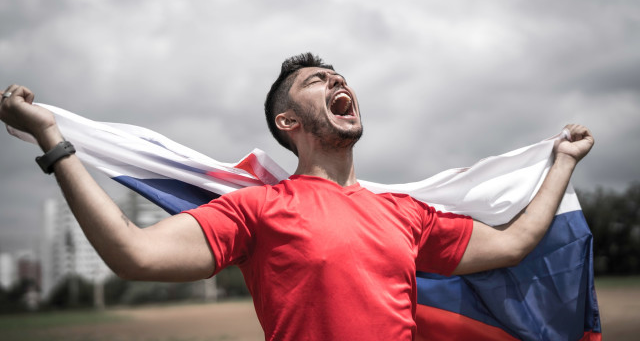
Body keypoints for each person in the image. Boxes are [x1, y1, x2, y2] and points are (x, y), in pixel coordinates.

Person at [0, 53, 594, 340]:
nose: (339, 81)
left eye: (340, 77)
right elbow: (135, 255)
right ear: (289, 123)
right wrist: (53, 139)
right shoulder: (257, 208)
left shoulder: (404, 215)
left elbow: (514, 243)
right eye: (319, 81)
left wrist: (562, 162)